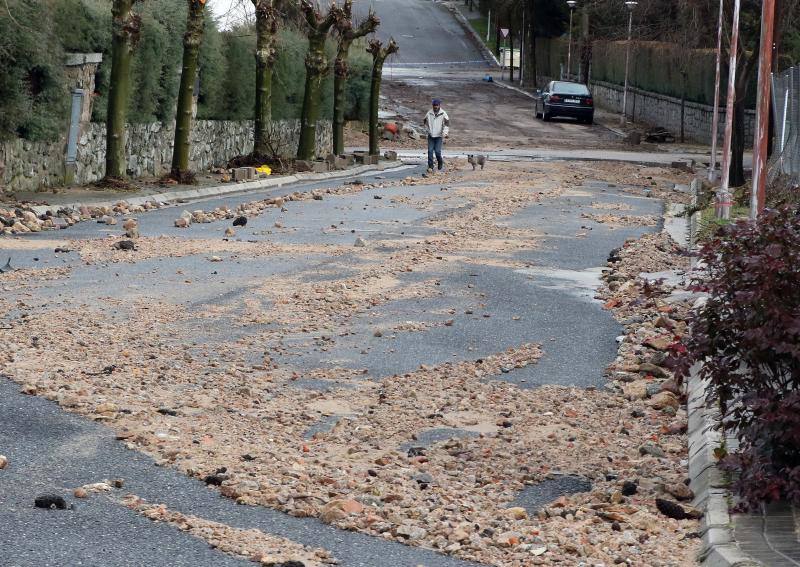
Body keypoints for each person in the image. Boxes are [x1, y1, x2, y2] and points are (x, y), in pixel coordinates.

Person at [423, 99, 449, 173]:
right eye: (434, 105)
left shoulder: (443, 113)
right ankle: (430, 166)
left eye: (437, 105)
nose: (435, 107)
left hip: (439, 136)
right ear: (432, 105)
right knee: (430, 151)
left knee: (437, 151)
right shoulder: (429, 113)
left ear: (439, 105)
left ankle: (440, 162)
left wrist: (445, 133)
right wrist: (427, 130)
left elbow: (446, 124)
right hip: (431, 135)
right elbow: (424, 121)